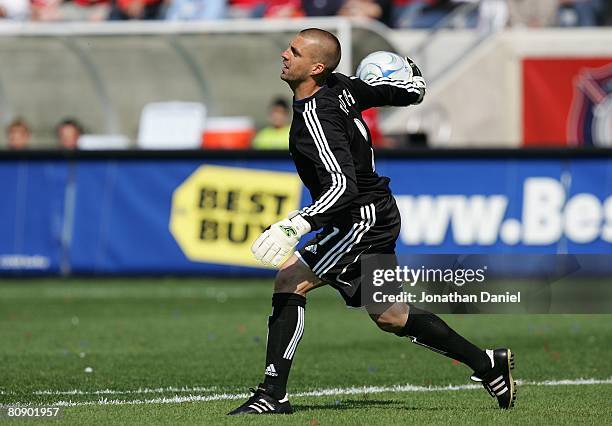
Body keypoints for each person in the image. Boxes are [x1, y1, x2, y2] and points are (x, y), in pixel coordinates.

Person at [228, 28, 516, 415]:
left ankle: (271, 395)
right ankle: (487, 364)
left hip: (360, 218)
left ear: (315, 67)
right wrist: (412, 84)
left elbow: (342, 186)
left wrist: (295, 225)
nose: (284, 54)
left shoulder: (319, 116)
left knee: (290, 279)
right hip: (372, 213)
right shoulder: (341, 86)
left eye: (293, 51)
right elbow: (398, 92)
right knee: (392, 316)